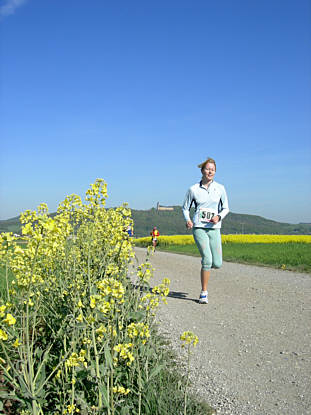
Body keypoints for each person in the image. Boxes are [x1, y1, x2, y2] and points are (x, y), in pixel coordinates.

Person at [182, 157, 229, 304]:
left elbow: (226, 208)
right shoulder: (193, 189)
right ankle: (204, 292)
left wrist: (219, 217)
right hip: (199, 227)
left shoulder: (220, 188)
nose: (210, 171)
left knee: (218, 263)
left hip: (214, 228)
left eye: (213, 170)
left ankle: (206, 263)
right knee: (208, 260)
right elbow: (185, 208)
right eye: (208, 169)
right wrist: (188, 220)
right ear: (202, 170)